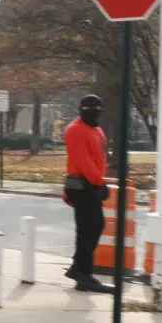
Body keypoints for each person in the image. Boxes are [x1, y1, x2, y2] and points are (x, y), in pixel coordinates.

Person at [64, 94, 112, 294]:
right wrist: (99, 182)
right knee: (86, 230)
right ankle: (84, 276)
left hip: (91, 184)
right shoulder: (75, 129)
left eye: (96, 109)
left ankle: (78, 267)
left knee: (95, 226)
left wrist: (99, 181)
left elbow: (98, 157)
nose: (93, 112)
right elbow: (82, 160)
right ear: (81, 109)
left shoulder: (96, 129)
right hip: (82, 185)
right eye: (88, 109)